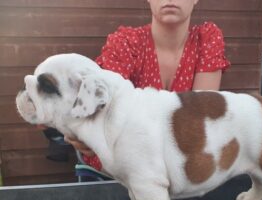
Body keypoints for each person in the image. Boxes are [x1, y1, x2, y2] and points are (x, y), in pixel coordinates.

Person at [65, 0, 230, 171]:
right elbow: (107, 114)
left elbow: (198, 122)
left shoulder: (206, 39)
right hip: (122, 166)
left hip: (183, 165)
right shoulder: (126, 43)